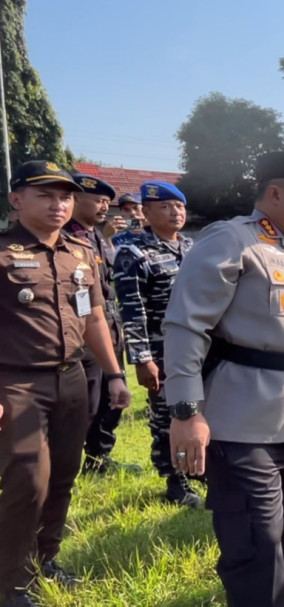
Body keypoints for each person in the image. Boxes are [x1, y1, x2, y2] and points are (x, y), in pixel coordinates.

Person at [163, 151, 284, 607]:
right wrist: (186, 412)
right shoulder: (232, 240)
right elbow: (186, 326)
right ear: (275, 193)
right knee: (256, 544)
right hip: (242, 423)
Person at [0, 161, 131, 607]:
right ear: (17, 200)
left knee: (63, 476)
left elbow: (93, 317)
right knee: (27, 481)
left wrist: (114, 374)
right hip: (16, 382)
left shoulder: (80, 252)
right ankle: (12, 581)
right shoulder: (1, 252)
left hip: (73, 378)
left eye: (65, 197)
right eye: (46, 196)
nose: (59, 205)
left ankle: (44, 559)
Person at [113, 181, 197, 506]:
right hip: (161, 350)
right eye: (165, 206)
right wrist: (141, 358)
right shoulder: (133, 254)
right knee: (166, 416)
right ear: (146, 212)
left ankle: (196, 467)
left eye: (179, 206)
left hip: (197, 347)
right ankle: (175, 480)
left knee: (198, 409)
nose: (175, 212)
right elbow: (131, 310)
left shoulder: (191, 248)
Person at [63, 173, 141, 475]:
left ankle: (98, 458)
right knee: (86, 403)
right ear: (76, 199)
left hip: (108, 323)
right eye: (97, 200)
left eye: (107, 202)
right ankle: (68, 463)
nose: (103, 207)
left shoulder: (95, 235)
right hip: (84, 330)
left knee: (111, 397)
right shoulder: (67, 236)